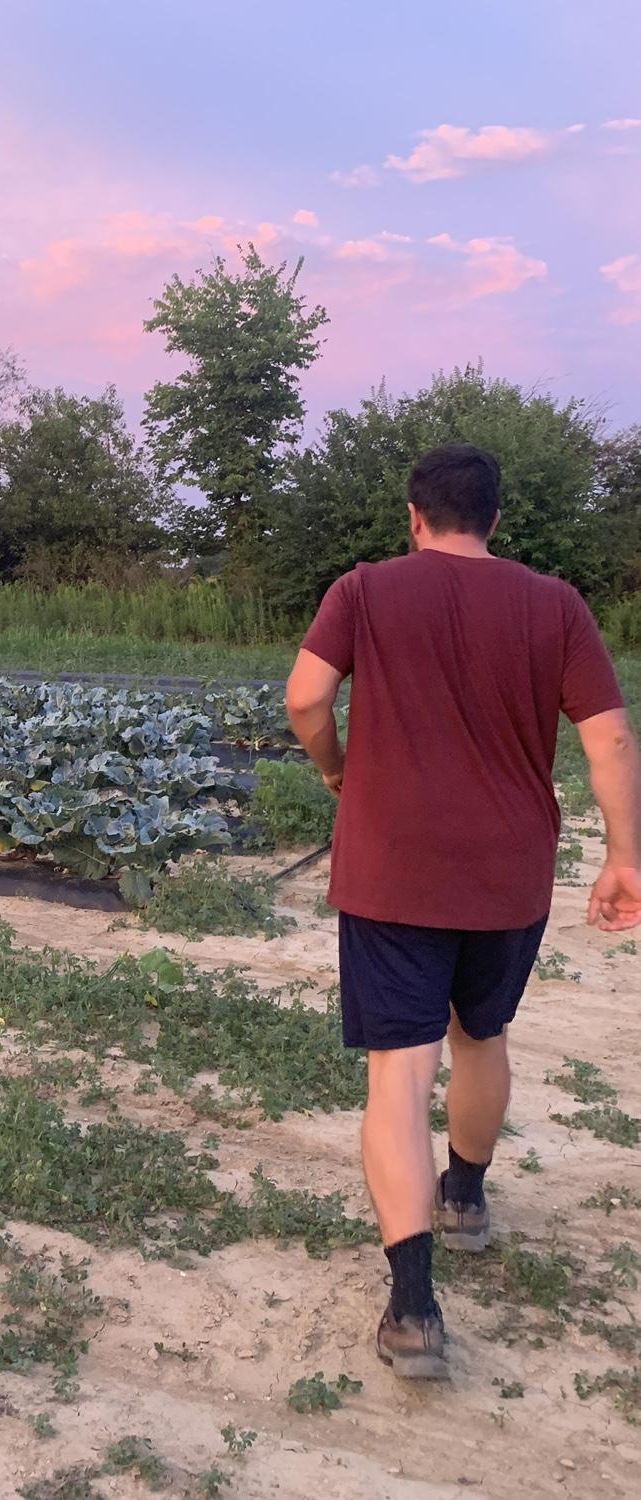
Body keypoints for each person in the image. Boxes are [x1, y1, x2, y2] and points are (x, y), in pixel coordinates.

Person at [285, 442, 641, 1380]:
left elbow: (306, 696)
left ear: (415, 515)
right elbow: (607, 737)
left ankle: (412, 1310)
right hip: (507, 872)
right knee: (480, 1035)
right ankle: (469, 1199)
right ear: (494, 518)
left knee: (399, 1076)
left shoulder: (364, 590)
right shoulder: (554, 604)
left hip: (393, 871)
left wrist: (334, 768)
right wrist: (624, 855)